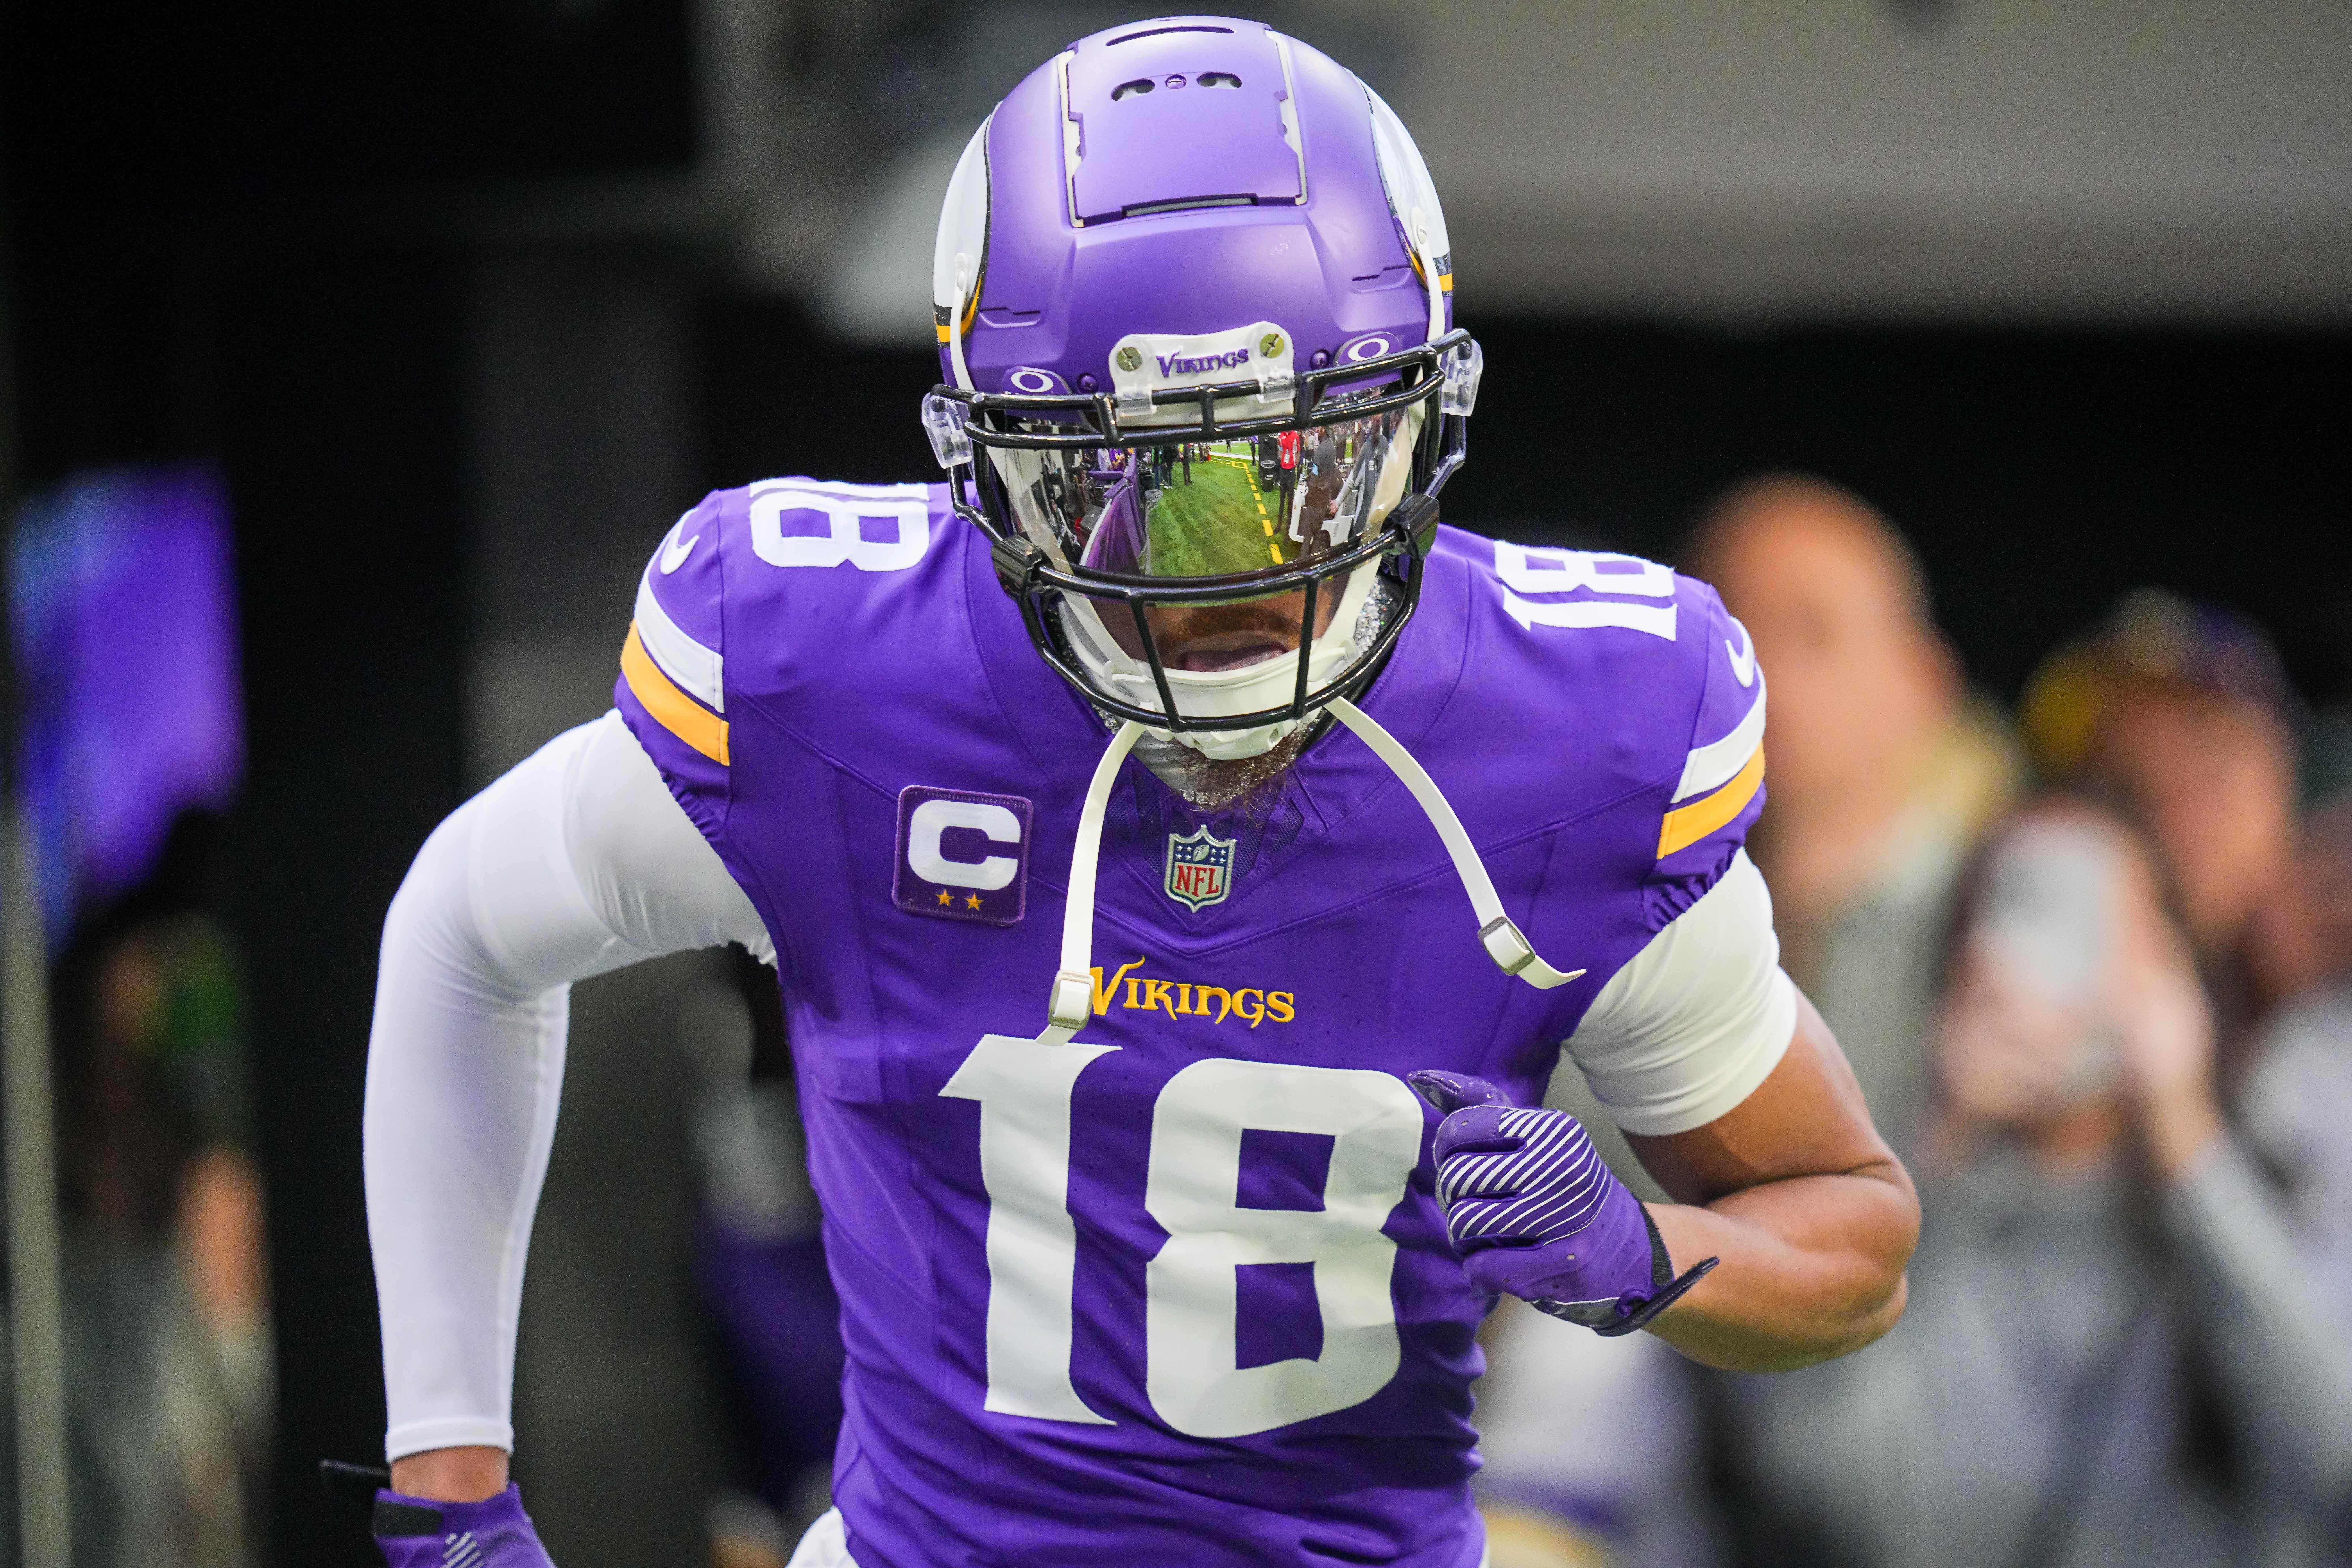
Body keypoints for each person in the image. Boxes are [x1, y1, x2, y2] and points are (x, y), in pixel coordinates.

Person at [357, 18, 1918, 1566]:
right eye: (1127, 486)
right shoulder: (835, 680)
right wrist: (450, 1489)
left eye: (1299, 460)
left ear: (1421, 416)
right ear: (986, 466)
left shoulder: (1574, 745)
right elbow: (464, 934)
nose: (1233, 571)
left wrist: (1649, 1254)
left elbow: (1851, 1233)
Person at [1721, 798, 2352, 1568]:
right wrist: (1932, 1159)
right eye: (2020, 909)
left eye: (2086, 919)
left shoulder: (2283, 1185)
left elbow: (2332, 1455)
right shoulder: (1933, 1225)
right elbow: (1811, 1478)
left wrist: (2191, 1148)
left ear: (2172, 958)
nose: (2044, 959)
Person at [1685, 477, 2018, 1153]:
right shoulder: (1625, 933)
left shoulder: (1998, 925)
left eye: (1813, 632)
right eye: (1721, 628)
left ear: (1923, 685)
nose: (1754, 664)